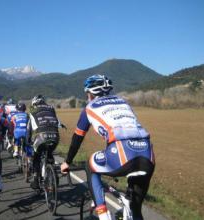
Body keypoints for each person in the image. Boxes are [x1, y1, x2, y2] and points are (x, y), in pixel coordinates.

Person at [60, 75, 155, 220]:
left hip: (122, 152)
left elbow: (77, 138)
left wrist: (67, 162)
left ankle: (103, 214)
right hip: (147, 154)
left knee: (91, 164)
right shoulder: (123, 102)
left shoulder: (89, 108)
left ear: (90, 93)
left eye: (87, 94)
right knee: (135, 211)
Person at [27, 95, 66, 189]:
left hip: (41, 137)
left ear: (34, 103)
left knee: (36, 156)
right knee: (49, 153)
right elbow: (58, 122)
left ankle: (36, 180)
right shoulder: (51, 109)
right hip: (55, 136)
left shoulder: (32, 111)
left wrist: (28, 141)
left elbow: (29, 129)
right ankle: (52, 172)